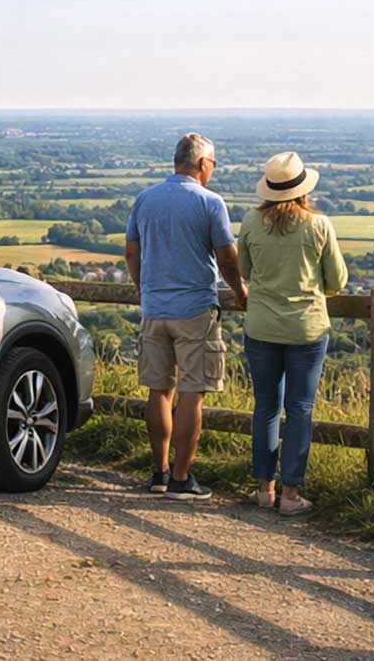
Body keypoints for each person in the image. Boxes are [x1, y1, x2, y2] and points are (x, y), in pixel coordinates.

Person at [124, 132, 248, 500]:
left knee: (158, 391)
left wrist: (143, 287)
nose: (212, 170)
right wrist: (240, 291)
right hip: (195, 309)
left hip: (154, 308)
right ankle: (181, 478)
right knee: (192, 393)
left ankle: (159, 472)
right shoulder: (210, 202)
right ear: (202, 164)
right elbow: (227, 257)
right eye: (212, 164)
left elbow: (132, 251)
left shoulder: (145, 199)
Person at [237, 152, 346, 516]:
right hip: (306, 329)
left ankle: (264, 489)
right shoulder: (319, 226)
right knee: (300, 409)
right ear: (303, 189)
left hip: (262, 327)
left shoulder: (251, 222)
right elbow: (338, 281)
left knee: (266, 407)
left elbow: (244, 270)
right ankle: (291, 494)